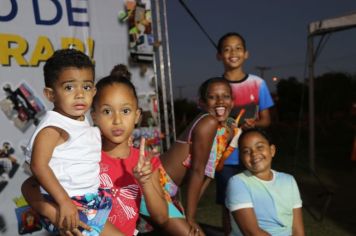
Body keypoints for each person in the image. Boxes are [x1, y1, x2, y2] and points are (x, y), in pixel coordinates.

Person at [22, 72, 168, 236]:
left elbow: (161, 218)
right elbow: (29, 186)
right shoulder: (82, 154)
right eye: (107, 111)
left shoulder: (146, 162)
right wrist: (53, 214)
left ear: (137, 115)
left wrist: (145, 182)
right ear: (94, 116)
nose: (117, 120)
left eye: (125, 111)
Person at [23, 49, 121, 236]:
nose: (79, 95)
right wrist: (63, 203)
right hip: (70, 204)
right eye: (69, 87)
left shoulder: (79, 120)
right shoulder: (53, 127)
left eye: (86, 87)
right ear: (50, 94)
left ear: (93, 91)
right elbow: (38, 165)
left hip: (86, 201)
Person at [143, 77, 233, 235]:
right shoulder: (208, 122)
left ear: (232, 101)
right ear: (202, 103)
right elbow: (197, 171)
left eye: (226, 96)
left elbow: (207, 174)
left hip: (167, 189)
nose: (220, 101)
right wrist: (190, 218)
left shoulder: (221, 130)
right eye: (212, 97)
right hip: (154, 184)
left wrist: (186, 211)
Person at [215, 32, 275, 235]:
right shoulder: (216, 86)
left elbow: (266, 119)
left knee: (256, 202)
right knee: (228, 204)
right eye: (227, 48)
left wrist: (255, 123)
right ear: (219, 55)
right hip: (225, 158)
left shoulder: (258, 84)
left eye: (238, 48)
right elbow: (209, 120)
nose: (233, 52)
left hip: (252, 154)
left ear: (246, 54)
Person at [225, 128, 305, 236]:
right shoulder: (237, 182)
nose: (254, 154)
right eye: (246, 151)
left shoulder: (289, 181)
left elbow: (298, 230)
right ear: (241, 158)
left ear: (272, 150)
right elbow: (251, 232)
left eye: (259, 147)